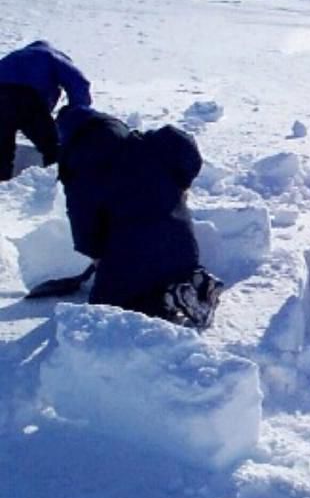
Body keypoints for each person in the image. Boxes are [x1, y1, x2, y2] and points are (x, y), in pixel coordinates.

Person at [56, 105, 223, 329]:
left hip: (133, 251)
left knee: (107, 310)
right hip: (182, 242)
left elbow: (83, 220)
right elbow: (184, 145)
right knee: (168, 270)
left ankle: (169, 299)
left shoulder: (81, 171)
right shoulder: (148, 144)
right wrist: (182, 184)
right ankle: (195, 281)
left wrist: (95, 253)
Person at [0, 40, 91, 181]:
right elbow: (79, 83)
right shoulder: (52, 56)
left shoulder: (12, 57)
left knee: (2, 150)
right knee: (52, 147)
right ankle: (55, 184)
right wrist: (77, 112)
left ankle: (3, 190)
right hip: (28, 100)